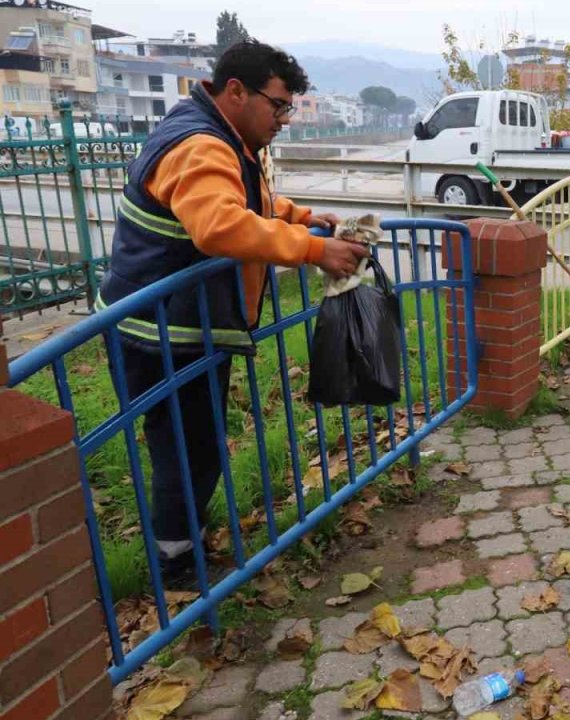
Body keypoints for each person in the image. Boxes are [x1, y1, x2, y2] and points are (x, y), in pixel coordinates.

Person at [96, 41, 368, 585]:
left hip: (172, 321)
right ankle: (175, 567)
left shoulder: (218, 134)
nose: (284, 119)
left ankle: (183, 544)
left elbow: (249, 203)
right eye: (279, 105)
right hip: (162, 330)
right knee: (187, 446)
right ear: (237, 91)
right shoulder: (202, 145)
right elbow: (219, 225)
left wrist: (303, 217)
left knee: (193, 442)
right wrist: (314, 248)